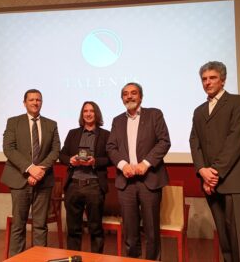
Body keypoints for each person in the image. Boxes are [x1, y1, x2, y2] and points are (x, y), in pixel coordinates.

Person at [189, 61, 240, 262]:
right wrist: (202, 170)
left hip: (234, 181)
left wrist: (213, 174)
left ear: (223, 80)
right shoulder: (199, 110)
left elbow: (236, 140)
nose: (208, 82)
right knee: (225, 242)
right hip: (211, 183)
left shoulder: (239, 102)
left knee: (239, 243)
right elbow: (195, 142)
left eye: (212, 78)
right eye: (204, 79)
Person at [106, 82, 171, 261]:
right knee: (130, 231)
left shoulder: (154, 115)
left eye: (133, 93)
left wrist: (145, 163)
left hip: (149, 179)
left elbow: (164, 141)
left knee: (151, 230)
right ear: (122, 99)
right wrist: (122, 165)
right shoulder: (117, 120)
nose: (129, 97)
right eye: (125, 94)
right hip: (126, 182)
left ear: (141, 97)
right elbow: (111, 147)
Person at [0, 89, 60, 257]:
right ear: (24, 102)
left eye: (38, 100)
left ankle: (39, 259)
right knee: (18, 226)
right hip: (19, 180)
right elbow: (9, 149)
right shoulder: (13, 122)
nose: (35, 102)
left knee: (40, 226)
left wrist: (40, 170)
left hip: (43, 180)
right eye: (32, 100)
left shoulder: (51, 124)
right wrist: (29, 169)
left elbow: (56, 150)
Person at [59, 101, 110, 253]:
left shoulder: (106, 135)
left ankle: (96, 258)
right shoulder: (73, 133)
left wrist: (95, 162)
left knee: (95, 229)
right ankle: (73, 257)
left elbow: (111, 159)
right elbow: (62, 155)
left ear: (97, 114)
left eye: (91, 111)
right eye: (85, 111)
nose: (88, 114)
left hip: (94, 185)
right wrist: (70, 160)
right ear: (82, 114)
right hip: (73, 185)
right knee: (73, 229)